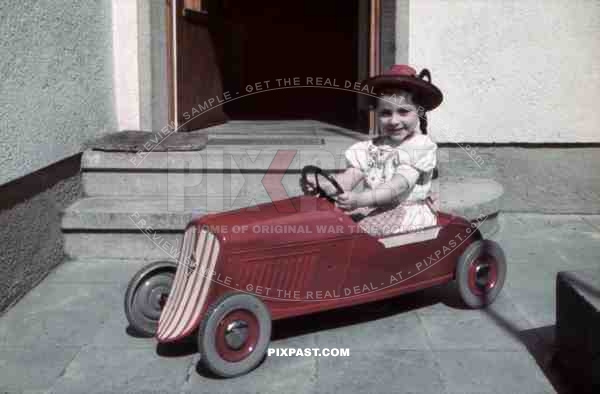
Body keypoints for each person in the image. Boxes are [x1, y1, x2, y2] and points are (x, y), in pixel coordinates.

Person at [304, 64, 443, 236]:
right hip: (374, 207)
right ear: (376, 114)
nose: (394, 121)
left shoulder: (418, 147)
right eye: (386, 113)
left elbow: (396, 188)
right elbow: (350, 177)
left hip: (406, 214)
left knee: (357, 235)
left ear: (419, 113)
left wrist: (360, 200)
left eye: (403, 112)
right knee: (332, 224)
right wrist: (327, 186)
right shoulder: (368, 148)